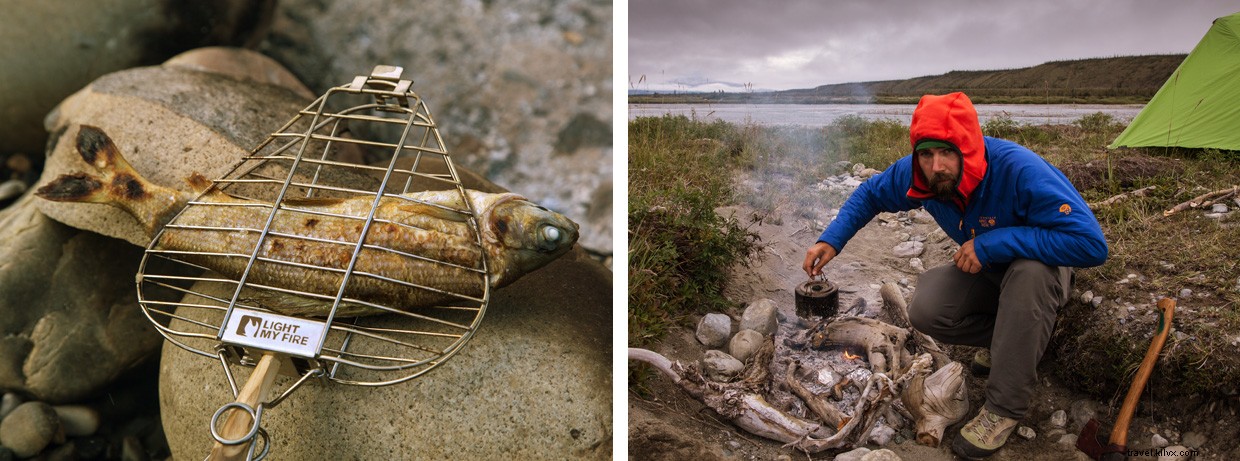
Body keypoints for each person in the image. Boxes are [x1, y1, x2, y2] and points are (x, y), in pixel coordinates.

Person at [801, 92, 1107, 459]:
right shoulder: (921, 175)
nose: (937, 166)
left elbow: (1091, 245)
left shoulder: (1018, 170)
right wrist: (831, 240)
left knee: (1028, 272)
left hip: (1042, 273)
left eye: (947, 152)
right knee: (927, 309)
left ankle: (1005, 408)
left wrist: (993, 244)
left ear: (969, 149)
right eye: (927, 154)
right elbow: (870, 194)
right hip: (991, 275)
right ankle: (1014, 344)